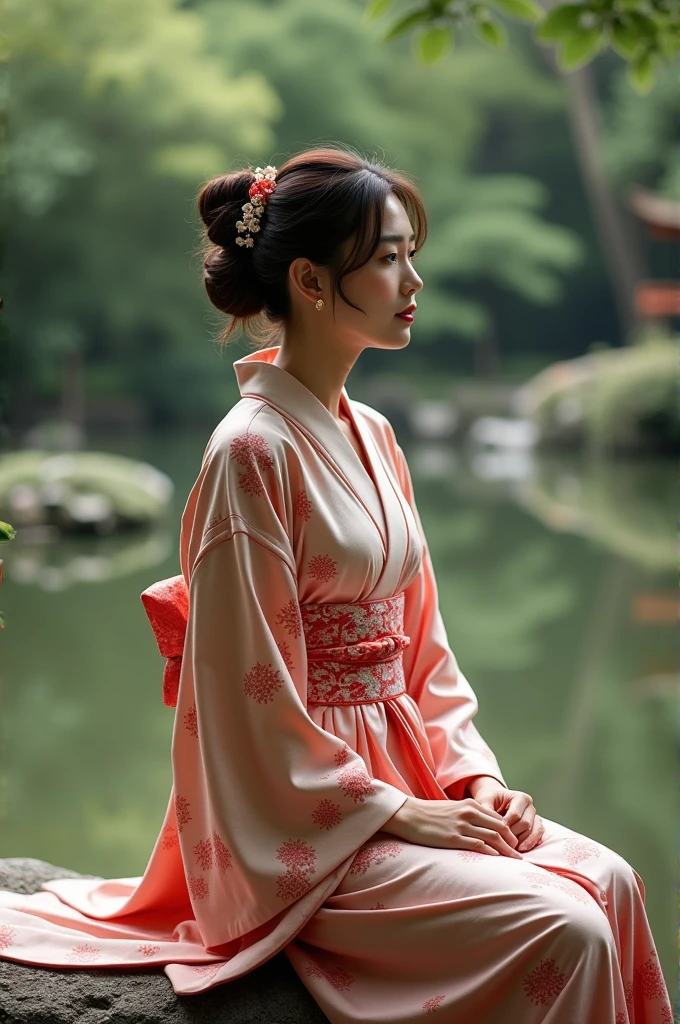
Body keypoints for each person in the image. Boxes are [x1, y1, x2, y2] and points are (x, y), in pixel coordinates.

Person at [0, 147, 671, 1024]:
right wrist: (397, 815)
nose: (414, 279)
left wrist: (470, 783)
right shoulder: (250, 454)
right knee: (567, 927)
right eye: (389, 257)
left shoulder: (377, 434)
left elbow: (422, 645)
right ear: (313, 282)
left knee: (614, 882)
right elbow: (247, 703)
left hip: (414, 776)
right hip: (303, 825)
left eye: (409, 253)